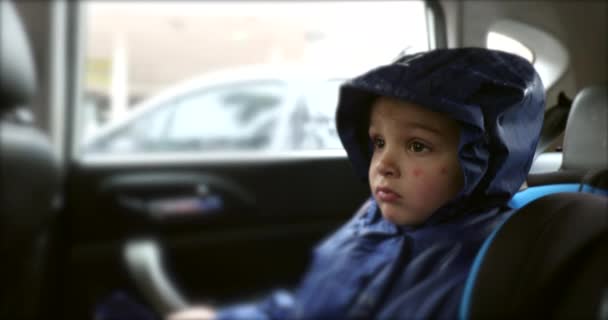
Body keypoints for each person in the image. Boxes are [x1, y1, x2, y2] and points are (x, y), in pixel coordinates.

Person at [106, 47, 546, 320]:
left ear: (485, 157)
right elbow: (307, 306)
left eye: (417, 147)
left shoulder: (492, 260)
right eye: (377, 142)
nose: (383, 164)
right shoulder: (373, 219)